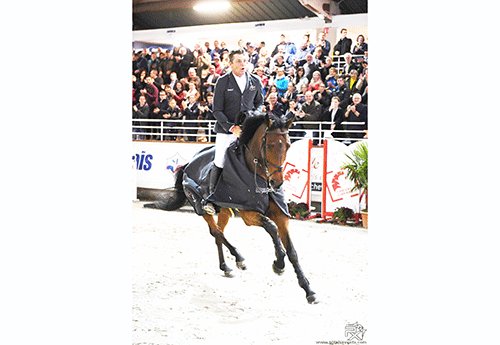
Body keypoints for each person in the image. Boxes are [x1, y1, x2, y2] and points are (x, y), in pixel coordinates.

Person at [203, 48, 264, 215]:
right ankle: (211, 199)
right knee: (220, 159)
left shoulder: (255, 80)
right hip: (226, 130)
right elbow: (217, 110)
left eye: (244, 61)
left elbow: (260, 103)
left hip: (248, 129)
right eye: (238, 61)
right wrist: (232, 127)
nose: (242, 64)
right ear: (230, 64)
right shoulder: (223, 81)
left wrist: (253, 117)